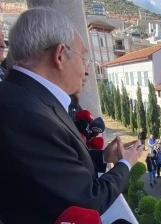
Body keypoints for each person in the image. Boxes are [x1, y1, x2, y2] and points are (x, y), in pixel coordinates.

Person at [0, 7, 143, 223]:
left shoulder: (23, 98)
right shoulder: (30, 116)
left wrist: (103, 157)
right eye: (83, 57)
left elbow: (55, 169)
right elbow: (88, 201)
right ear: (59, 55)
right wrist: (125, 164)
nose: (86, 70)